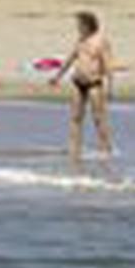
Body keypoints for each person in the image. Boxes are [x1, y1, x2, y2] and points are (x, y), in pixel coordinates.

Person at [48, 11, 115, 163]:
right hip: (77, 82)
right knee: (75, 119)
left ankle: (106, 150)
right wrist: (57, 77)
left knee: (99, 119)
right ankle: (75, 151)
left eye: (80, 24)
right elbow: (70, 58)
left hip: (94, 83)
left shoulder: (101, 41)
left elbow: (108, 65)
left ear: (88, 24)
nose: (78, 27)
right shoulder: (80, 40)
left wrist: (110, 87)